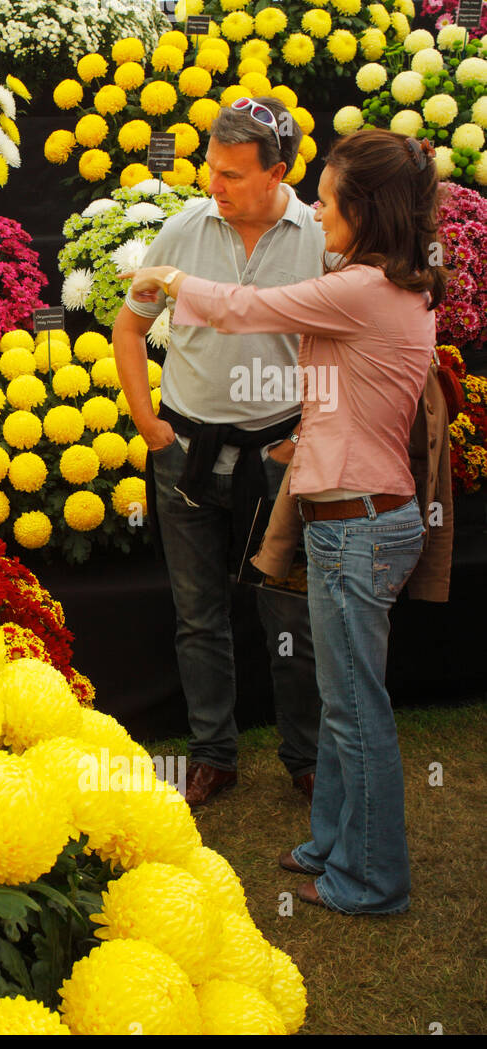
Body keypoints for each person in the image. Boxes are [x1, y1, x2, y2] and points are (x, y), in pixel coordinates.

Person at [125, 128, 450, 915]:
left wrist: (168, 276)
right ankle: (331, 846)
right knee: (345, 706)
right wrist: (311, 438)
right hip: (362, 517)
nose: (316, 209)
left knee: (355, 712)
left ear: (362, 209)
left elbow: (247, 309)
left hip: (357, 528)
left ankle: (371, 882)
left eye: (329, 198)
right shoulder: (386, 283)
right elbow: (348, 383)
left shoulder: (360, 288)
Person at [113, 96, 322, 807]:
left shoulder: (319, 240)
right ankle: (213, 754)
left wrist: (306, 436)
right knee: (198, 613)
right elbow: (129, 326)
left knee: (288, 617)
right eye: (211, 168)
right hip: (186, 450)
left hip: (279, 454)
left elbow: (341, 349)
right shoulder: (182, 229)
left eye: (232, 174)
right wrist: (148, 422)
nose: (214, 184)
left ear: (279, 173)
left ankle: (306, 756)